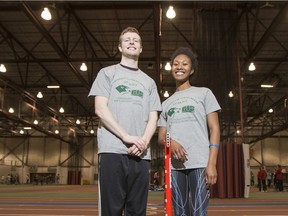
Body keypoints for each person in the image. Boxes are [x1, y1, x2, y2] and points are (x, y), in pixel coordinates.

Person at [88, 27, 162, 216]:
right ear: (120, 47)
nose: (131, 42)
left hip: (141, 153)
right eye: (127, 39)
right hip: (112, 150)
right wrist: (126, 136)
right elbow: (100, 108)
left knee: (137, 211)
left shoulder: (149, 82)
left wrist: (143, 141)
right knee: (111, 210)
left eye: (135, 40)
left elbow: (154, 116)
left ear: (141, 48)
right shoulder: (107, 73)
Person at [158, 47, 221, 216]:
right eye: (175, 64)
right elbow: (161, 136)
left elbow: (215, 129)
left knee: (199, 212)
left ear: (191, 69)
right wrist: (172, 143)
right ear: (171, 68)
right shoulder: (166, 104)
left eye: (185, 64)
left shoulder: (204, 93)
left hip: (200, 163)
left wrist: (212, 163)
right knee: (179, 213)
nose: (180, 66)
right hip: (175, 167)